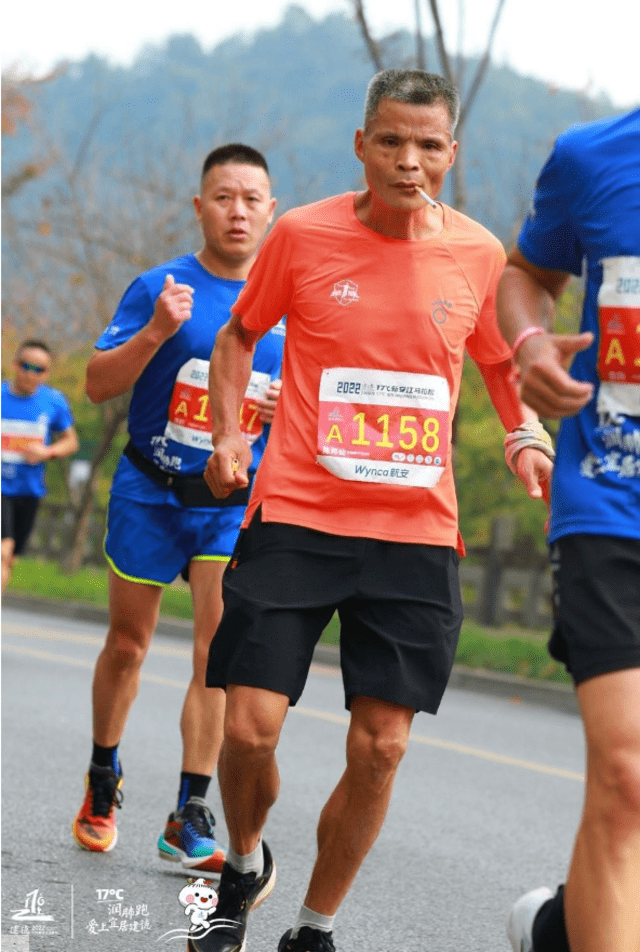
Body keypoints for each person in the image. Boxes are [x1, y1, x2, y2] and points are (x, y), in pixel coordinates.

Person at [193, 69, 555, 952]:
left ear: (451, 153)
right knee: (248, 730)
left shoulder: (475, 253)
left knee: (381, 747)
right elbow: (241, 333)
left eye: (429, 145)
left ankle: (314, 928)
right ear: (362, 145)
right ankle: (244, 863)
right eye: (391, 141)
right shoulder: (303, 233)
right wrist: (232, 435)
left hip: (414, 533)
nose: (409, 160)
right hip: (298, 516)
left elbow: (502, 364)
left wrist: (524, 432)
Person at [71, 144, 284, 874]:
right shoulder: (160, 285)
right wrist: (157, 330)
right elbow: (98, 384)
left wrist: (289, 413)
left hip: (227, 506)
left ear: (271, 210)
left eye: (251, 198)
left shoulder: (288, 304)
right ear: (201, 207)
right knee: (129, 645)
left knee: (214, 657)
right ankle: (104, 773)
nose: (237, 211)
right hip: (149, 491)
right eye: (223, 197)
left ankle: (188, 811)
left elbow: (306, 413)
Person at [497, 111, 640, 952]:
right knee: (625, 778)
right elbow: (526, 274)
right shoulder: (592, 156)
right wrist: (529, 342)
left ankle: (558, 929)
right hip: (612, 499)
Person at [1, 339, 79, 591]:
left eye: (40, 369)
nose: (31, 374)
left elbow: (71, 441)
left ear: (47, 373)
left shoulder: (53, 402)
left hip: (29, 491)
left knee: (9, 559)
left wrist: (47, 452)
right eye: (27, 366)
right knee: (4, 550)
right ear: (15, 365)